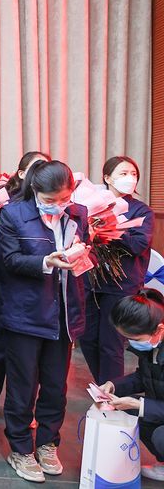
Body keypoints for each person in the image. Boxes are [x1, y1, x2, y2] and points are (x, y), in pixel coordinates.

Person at [0, 160, 90, 482]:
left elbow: (85, 252)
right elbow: (9, 260)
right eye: (51, 200)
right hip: (26, 313)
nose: (59, 205)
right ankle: (21, 448)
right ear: (35, 190)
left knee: (55, 386)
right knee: (22, 386)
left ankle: (48, 443)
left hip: (64, 313)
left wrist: (81, 254)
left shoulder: (79, 214)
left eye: (65, 198)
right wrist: (46, 261)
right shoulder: (13, 215)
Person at [0, 151, 50, 420]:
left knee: (31, 358)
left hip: (38, 290)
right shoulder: (8, 206)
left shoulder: (52, 207)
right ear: (22, 174)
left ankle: (25, 407)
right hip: (5, 285)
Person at [81, 156, 154, 384]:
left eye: (133, 174)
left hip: (122, 284)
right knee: (87, 338)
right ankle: (105, 386)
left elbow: (138, 245)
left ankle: (110, 393)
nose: (130, 178)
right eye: (123, 173)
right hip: (91, 281)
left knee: (110, 343)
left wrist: (113, 227)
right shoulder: (89, 206)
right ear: (107, 178)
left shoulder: (141, 210)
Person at [100, 288, 164, 482]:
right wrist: (113, 385)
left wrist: (140, 405)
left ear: (159, 329)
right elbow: (143, 377)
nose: (131, 343)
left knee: (160, 434)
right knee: (131, 410)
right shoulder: (153, 346)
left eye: (135, 339)